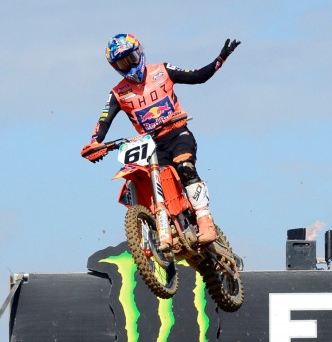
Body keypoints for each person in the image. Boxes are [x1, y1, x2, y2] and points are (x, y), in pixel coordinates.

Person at [81, 34, 240, 249]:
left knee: (184, 166)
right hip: (151, 145)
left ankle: (205, 221)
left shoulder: (161, 71)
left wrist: (220, 59)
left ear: (140, 52)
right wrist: (94, 143)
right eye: (122, 63)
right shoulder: (118, 93)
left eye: (131, 57)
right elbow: (104, 120)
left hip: (177, 133)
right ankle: (163, 228)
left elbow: (197, 76)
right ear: (115, 66)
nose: (129, 65)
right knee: (149, 185)